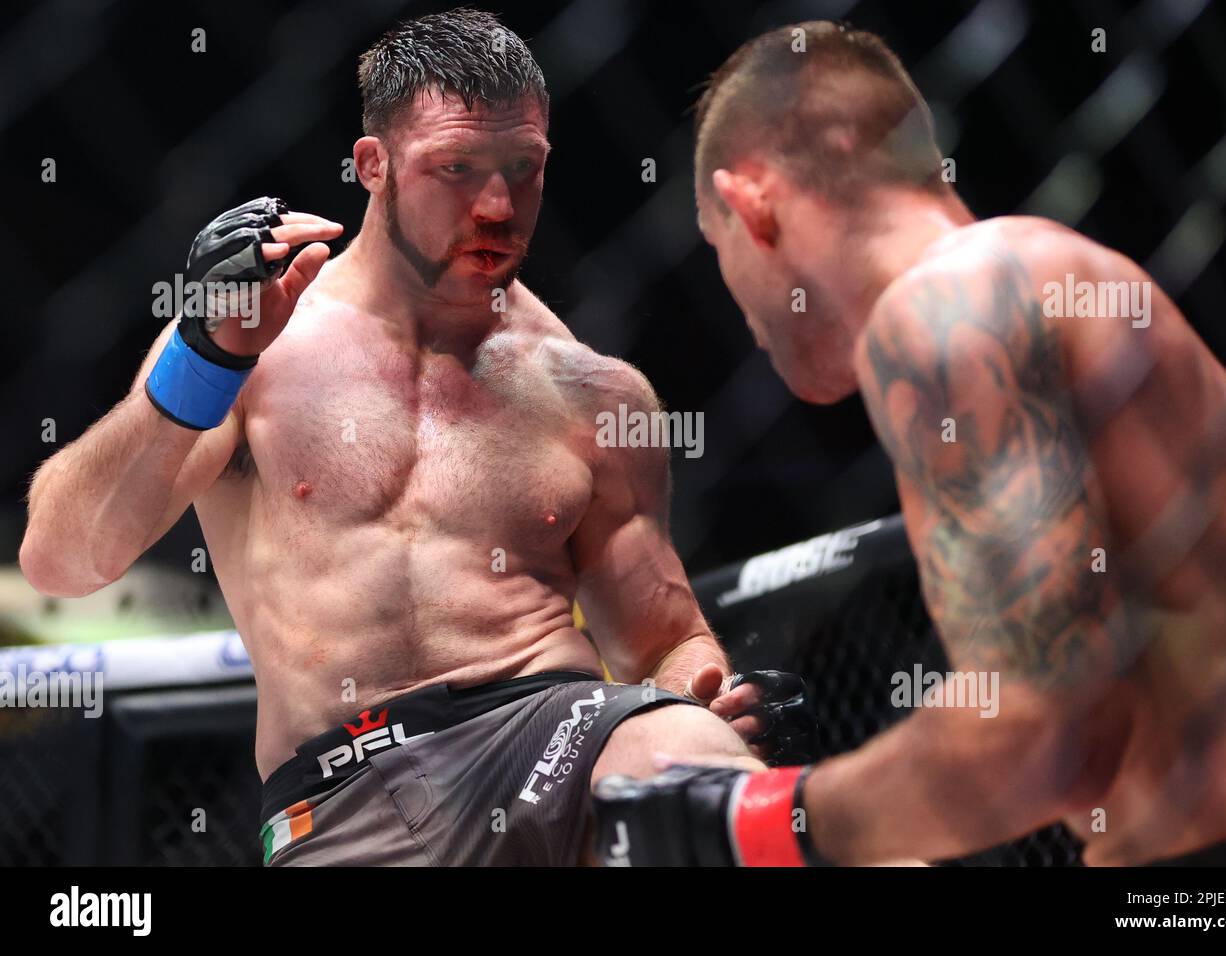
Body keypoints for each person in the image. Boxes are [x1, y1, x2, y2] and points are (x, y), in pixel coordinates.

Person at [20, 8, 816, 867]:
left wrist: (704, 690)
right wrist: (201, 355)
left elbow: (663, 641)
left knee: (703, 785)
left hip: (551, 726)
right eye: (457, 168)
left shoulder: (591, 391)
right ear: (374, 166)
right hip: (344, 786)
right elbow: (64, 558)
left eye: (525, 169)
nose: (499, 206)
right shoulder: (254, 346)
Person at [592, 20, 1226, 867]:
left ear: (754, 205)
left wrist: (746, 820)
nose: (744, 318)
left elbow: (1050, 732)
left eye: (720, 249)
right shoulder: (1033, 269)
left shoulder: (943, 308)